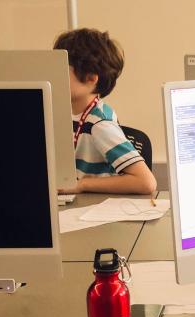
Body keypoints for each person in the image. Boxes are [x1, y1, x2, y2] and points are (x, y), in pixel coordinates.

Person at [53, 28, 156, 195]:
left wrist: (82, 185)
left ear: (91, 78)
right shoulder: (64, 112)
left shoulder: (100, 124)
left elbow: (146, 182)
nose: (54, 75)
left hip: (93, 208)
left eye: (62, 69)